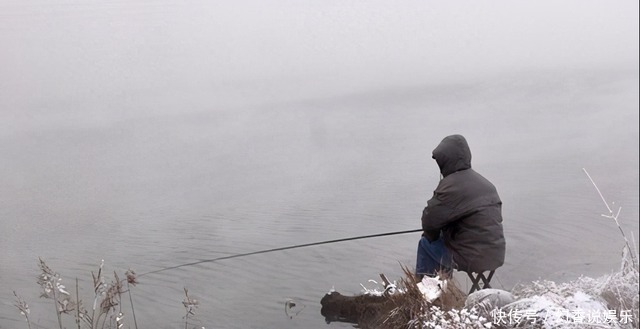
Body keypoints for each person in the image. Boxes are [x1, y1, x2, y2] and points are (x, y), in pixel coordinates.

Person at [416, 134, 505, 280]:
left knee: (426, 243)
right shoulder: (486, 184)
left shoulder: (450, 186)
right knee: (442, 240)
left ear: (445, 160)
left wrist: (431, 235)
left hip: (471, 258)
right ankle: (443, 289)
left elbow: (429, 222)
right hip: (495, 254)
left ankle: (428, 292)